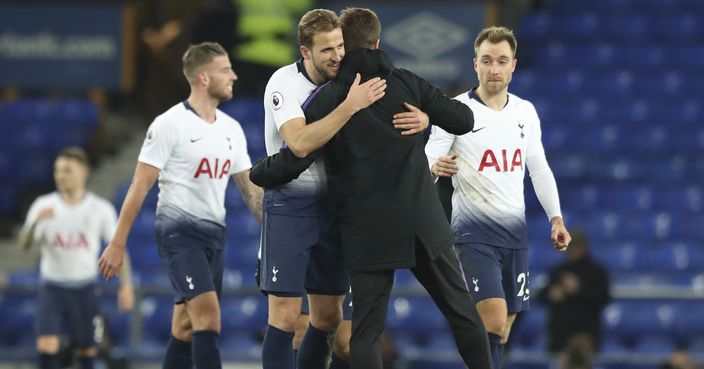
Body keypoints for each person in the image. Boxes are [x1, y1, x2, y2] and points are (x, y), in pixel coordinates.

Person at [296, 8, 494, 369]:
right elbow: (464, 120)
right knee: (462, 312)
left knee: (367, 331)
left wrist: (263, 172)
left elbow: (298, 153)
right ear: (377, 42)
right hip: (421, 218)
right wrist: (429, 116)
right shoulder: (406, 83)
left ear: (344, 46)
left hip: (369, 227)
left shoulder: (327, 98)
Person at [255, 8, 432, 369]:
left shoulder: (352, 77)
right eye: (326, 50)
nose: (337, 56)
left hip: (336, 207)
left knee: (328, 319)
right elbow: (300, 142)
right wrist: (350, 107)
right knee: (287, 317)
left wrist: (425, 118)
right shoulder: (284, 83)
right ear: (305, 52)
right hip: (290, 205)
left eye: (340, 46)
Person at [97, 41, 263, 369]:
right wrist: (117, 243)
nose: (234, 75)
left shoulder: (232, 129)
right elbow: (139, 185)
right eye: (225, 69)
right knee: (209, 319)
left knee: (185, 327)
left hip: (215, 236)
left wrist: (277, 229)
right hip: (179, 234)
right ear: (203, 78)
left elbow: (249, 190)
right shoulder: (169, 124)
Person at [425, 25, 572, 369]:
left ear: (513, 66)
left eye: (501, 61)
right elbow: (427, 155)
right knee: (491, 319)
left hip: (514, 236)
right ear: (474, 64)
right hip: (472, 235)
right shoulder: (455, 111)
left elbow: (538, 168)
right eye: (487, 60)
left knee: (502, 329)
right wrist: (435, 165)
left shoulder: (525, 112)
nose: (494, 68)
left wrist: (556, 218)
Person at [19, 146, 135, 369]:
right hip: (51, 288)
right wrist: (35, 224)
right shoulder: (43, 205)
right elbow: (24, 246)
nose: (60, 176)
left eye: (67, 170)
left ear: (84, 173)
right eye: (57, 170)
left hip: (84, 289)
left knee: (87, 349)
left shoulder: (100, 209)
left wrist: (126, 286)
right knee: (46, 344)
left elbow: (118, 250)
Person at [537, 231, 610, 369]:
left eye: (576, 247)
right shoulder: (558, 270)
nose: (573, 251)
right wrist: (551, 294)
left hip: (586, 335)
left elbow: (603, 298)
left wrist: (579, 289)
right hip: (560, 337)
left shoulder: (596, 271)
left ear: (585, 247)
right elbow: (541, 296)